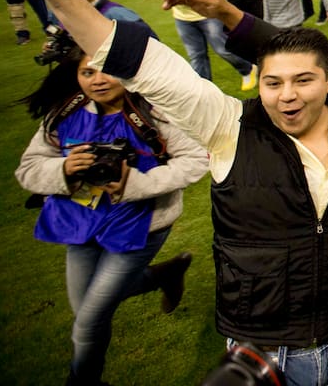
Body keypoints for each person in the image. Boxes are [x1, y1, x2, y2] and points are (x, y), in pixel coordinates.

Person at [4, 0, 328, 386]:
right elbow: (147, 65)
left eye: (303, 80)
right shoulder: (228, 125)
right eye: (273, 83)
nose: (287, 95)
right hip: (264, 354)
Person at [15, 44, 206, 386]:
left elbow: (195, 160)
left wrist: (136, 183)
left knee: (88, 319)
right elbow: (28, 168)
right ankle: (163, 275)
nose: (98, 81)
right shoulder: (64, 112)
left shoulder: (153, 112)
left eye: (107, 70)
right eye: (88, 72)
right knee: (85, 308)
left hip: (142, 225)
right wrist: (64, 169)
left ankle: (83, 381)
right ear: (76, 75)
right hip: (79, 224)